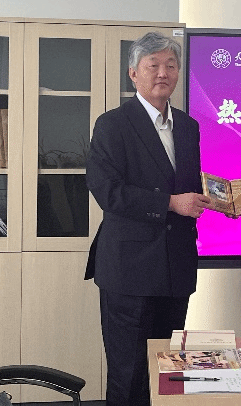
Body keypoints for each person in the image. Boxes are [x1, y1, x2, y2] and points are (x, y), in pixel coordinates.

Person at [84, 31, 211, 406]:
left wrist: (223, 197)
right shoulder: (113, 124)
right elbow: (108, 191)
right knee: (129, 374)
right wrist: (170, 203)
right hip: (131, 271)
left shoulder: (188, 127)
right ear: (133, 73)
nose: (163, 73)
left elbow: (188, 187)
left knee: (167, 372)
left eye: (170, 65)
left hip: (176, 268)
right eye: (153, 65)